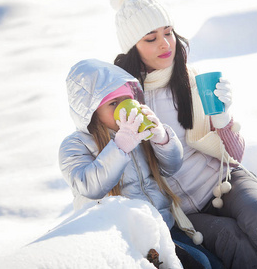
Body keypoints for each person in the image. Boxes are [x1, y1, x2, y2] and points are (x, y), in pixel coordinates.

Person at [109, 0, 257, 269]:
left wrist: (223, 119)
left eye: (168, 33)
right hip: (182, 210)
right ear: (133, 47)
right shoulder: (126, 100)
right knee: (233, 240)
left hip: (224, 181)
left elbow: (235, 155)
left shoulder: (192, 80)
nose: (165, 44)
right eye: (151, 38)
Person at [59, 58, 216, 268]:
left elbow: (171, 167)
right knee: (199, 263)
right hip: (125, 236)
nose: (124, 108)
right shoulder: (75, 145)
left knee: (210, 261)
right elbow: (90, 187)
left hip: (163, 225)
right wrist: (119, 148)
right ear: (91, 110)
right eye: (113, 104)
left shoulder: (139, 129)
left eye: (126, 99)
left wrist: (162, 139)